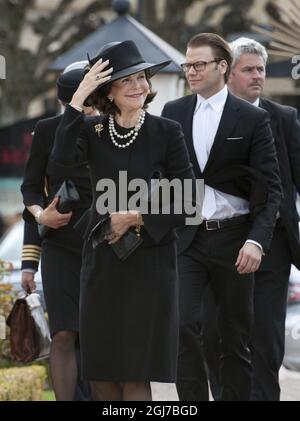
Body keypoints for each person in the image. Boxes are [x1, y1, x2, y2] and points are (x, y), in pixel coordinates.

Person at [51, 40, 197, 401]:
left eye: (142, 78)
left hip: (150, 266)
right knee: (101, 374)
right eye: (127, 80)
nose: (139, 86)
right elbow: (61, 160)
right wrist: (78, 97)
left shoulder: (167, 132)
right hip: (101, 264)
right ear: (108, 93)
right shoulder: (92, 130)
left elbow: (190, 199)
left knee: (135, 375)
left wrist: (136, 216)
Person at [162, 32, 282, 401]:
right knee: (183, 326)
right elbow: (163, 178)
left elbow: (271, 189)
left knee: (232, 338)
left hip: (235, 240)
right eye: (187, 65)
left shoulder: (250, 118)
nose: (191, 71)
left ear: (221, 67)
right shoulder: (174, 113)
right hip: (187, 239)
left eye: (199, 65)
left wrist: (256, 241)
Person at [227, 37, 300, 400]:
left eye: (262, 69)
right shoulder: (205, 117)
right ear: (228, 73)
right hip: (220, 244)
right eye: (249, 70)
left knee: (266, 340)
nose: (258, 76)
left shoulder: (284, 118)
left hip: (273, 246)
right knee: (223, 339)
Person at [20, 65, 99, 401]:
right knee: (64, 332)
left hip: (103, 244)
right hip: (60, 246)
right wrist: (41, 219)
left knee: (98, 335)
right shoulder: (48, 130)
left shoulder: (110, 129)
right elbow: (32, 190)